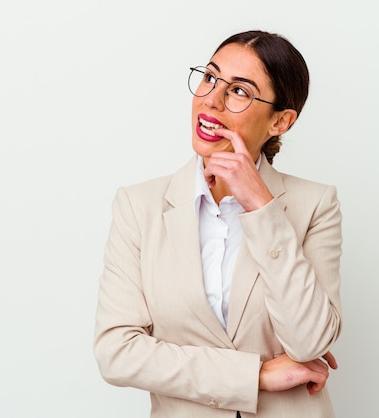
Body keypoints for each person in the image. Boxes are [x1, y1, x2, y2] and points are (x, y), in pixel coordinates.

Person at [94, 29, 342, 418]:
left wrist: (262, 207)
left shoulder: (315, 205)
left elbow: (309, 341)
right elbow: (117, 353)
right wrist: (255, 376)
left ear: (281, 121)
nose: (211, 99)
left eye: (240, 91)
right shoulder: (138, 207)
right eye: (210, 77)